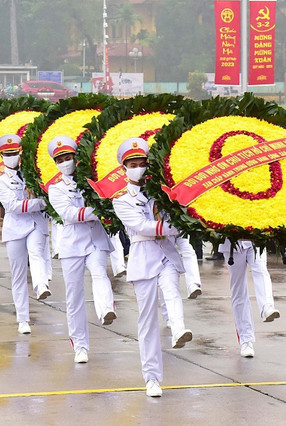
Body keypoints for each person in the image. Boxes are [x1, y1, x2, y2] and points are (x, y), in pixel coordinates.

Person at [111, 138, 192, 398]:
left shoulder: (161, 191)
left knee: (171, 290)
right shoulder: (121, 199)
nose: (138, 168)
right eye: (133, 164)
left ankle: (179, 329)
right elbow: (141, 226)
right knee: (147, 320)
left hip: (166, 251)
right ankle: (152, 378)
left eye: (142, 164)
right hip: (143, 255)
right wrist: (174, 227)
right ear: (124, 167)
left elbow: (174, 212)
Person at [47, 136, 117, 364]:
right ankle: (80, 345)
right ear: (56, 163)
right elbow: (68, 214)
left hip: (95, 238)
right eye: (61, 159)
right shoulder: (55, 188)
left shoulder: (91, 181)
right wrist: (97, 211)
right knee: (74, 296)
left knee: (99, 272)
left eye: (69, 157)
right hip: (72, 244)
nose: (66, 162)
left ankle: (106, 309)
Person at [0, 134, 50, 334]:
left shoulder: (32, 173)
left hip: (35, 223)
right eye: (7, 154)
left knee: (36, 253)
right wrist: (41, 203)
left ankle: (41, 285)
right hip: (15, 227)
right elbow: (11, 205)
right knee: (17, 275)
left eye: (15, 153)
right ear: (1, 155)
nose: (11, 157)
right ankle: (23, 319)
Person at [218, 239, 280, 358]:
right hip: (232, 242)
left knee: (261, 270)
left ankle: (267, 306)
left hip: (255, 237)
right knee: (239, 289)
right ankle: (246, 340)